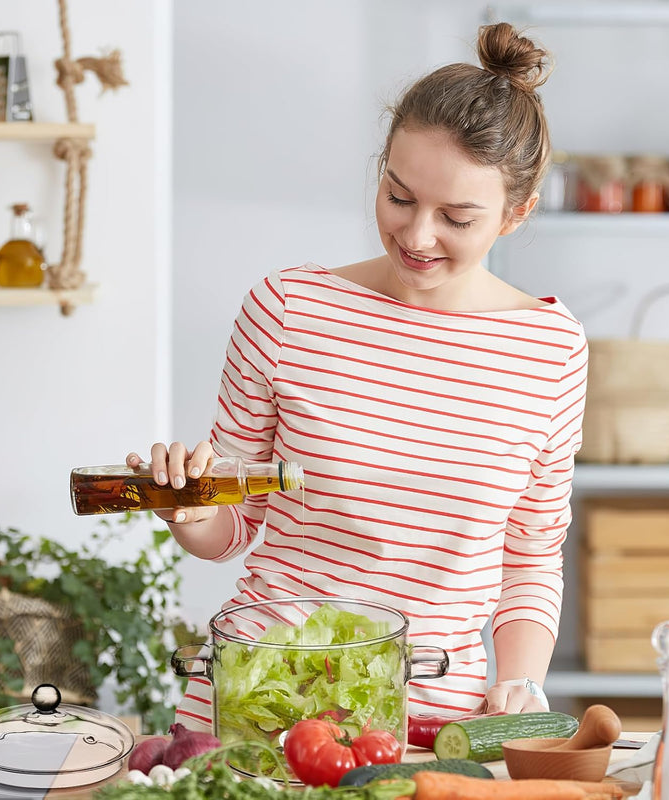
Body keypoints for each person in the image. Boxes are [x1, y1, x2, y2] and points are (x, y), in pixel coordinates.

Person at [128, 21, 588, 733]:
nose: (417, 235)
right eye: (398, 197)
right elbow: (233, 527)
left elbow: (530, 553)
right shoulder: (287, 310)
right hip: (258, 696)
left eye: (456, 217)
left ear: (516, 213)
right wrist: (187, 509)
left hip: (430, 724)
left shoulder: (551, 350)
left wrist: (523, 681)